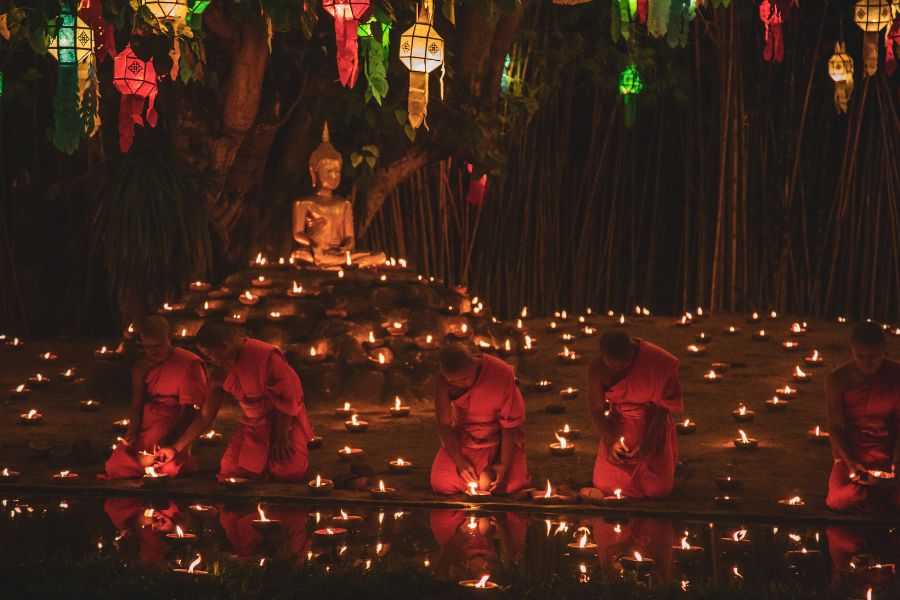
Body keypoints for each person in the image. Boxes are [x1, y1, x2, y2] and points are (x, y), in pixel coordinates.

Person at [154, 323, 315, 482]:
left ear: (223, 346)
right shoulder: (219, 374)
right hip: (253, 425)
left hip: (284, 422)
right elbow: (205, 415)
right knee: (231, 471)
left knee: (287, 472)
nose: (207, 359)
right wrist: (176, 448)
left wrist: (282, 437)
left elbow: (288, 398)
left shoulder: (263, 356)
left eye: (209, 354)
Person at [100, 316, 206, 480]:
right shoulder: (142, 365)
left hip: (175, 420)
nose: (153, 351)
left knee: (170, 467)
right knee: (116, 465)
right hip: (148, 421)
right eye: (147, 347)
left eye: (158, 345)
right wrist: (133, 432)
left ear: (170, 337)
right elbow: (137, 404)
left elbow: (190, 409)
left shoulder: (188, 363)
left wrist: (168, 438)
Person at [582, 328, 682, 500]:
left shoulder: (658, 361)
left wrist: (649, 442)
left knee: (657, 491)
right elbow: (597, 410)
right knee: (605, 486)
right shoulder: (598, 368)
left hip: (652, 424)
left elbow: (663, 407)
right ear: (603, 356)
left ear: (630, 350)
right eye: (612, 362)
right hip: (619, 425)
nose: (618, 367)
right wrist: (612, 440)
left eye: (623, 362)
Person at [430, 344, 530, 495]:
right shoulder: (442, 381)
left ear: (472, 363)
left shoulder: (499, 373)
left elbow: (509, 425)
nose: (458, 384)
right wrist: (459, 462)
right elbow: (444, 425)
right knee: (441, 483)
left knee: (511, 485)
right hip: (465, 439)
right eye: (452, 380)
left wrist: (503, 464)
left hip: (499, 439)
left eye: (463, 378)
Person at [825, 322, 900, 512]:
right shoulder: (837, 379)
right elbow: (835, 427)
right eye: (861, 356)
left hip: (889, 451)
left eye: (874, 357)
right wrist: (850, 463)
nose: (867, 362)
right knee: (840, 498)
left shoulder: (896, 375)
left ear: (884, 350)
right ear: (852, 350)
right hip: (854, 452)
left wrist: (897, 462)